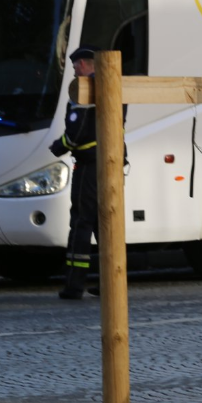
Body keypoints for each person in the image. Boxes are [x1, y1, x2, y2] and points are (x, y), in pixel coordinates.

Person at [50, 45, 125, 300]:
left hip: (89, 166)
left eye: (75, 66)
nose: (74, 70)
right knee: (106, 223)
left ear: (84, 64)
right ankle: (109, 282)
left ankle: (74, 284)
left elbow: (76, 130)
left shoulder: (83, 90)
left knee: (81, 221)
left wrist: (59, 147)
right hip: (111, 164)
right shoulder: (114, 85)